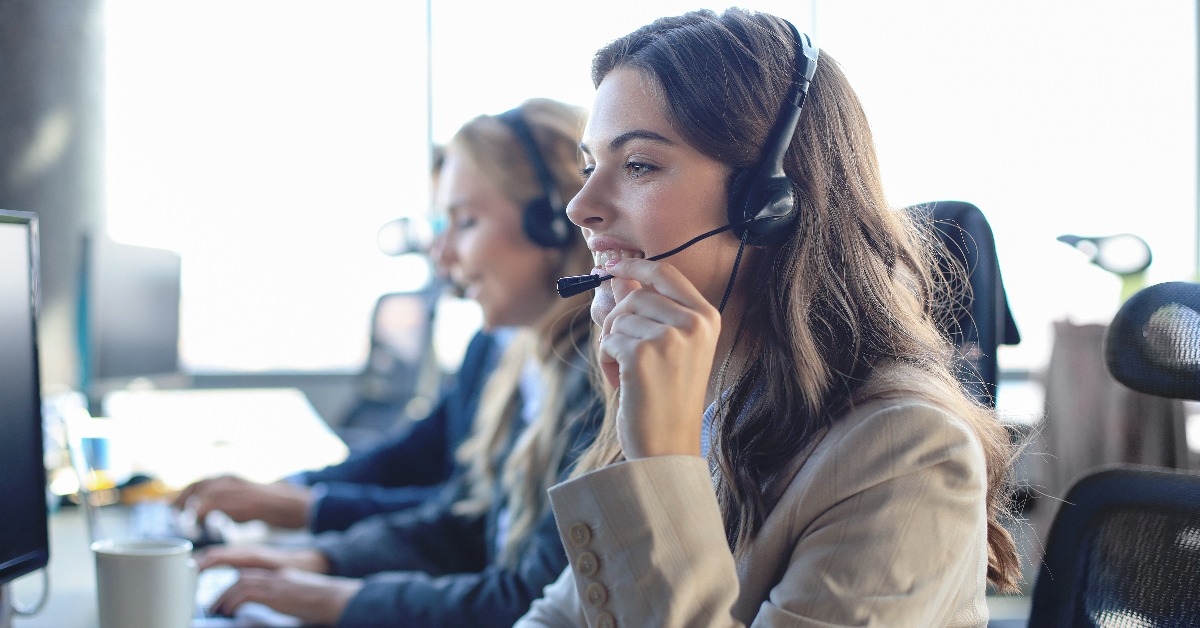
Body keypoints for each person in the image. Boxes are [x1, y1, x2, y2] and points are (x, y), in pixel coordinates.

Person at [516, 8, 1021, 627]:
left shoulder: (906, 454)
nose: (581, 207)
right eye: (590, 167)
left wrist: (659, 467)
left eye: (640, 164)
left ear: (768, 202)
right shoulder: (716, 406)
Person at [197, 97, 605, 627]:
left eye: (465, 221)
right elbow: (462, 520)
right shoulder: (512, 359)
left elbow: (527, 596)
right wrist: (321, 562)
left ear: (550, 220)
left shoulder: (601, 379)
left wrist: (332, 596)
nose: (440, 255)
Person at [172, 146, 502, 535]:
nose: (439, 251)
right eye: (437, 224)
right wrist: (288, 490)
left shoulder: (563, 366)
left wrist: (309, 513)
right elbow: (412, 458)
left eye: (464, 222)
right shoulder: (489, 345)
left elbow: (468, 517)